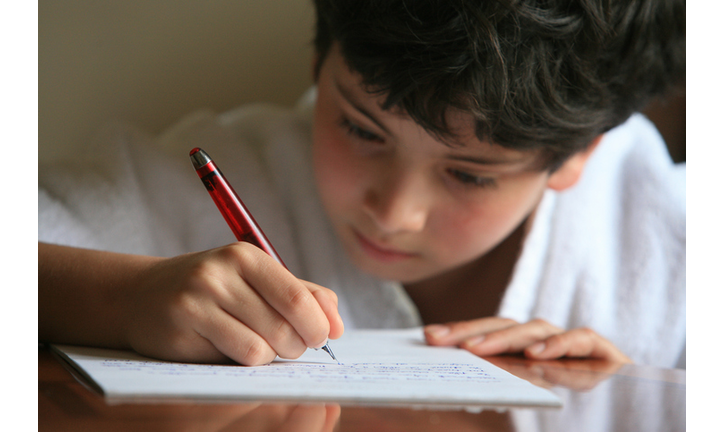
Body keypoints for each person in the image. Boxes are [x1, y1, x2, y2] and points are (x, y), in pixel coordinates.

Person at [38, 0, 685, 368]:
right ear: (321, 62)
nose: (394, 212)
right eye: (362, 130)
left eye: (467, 173)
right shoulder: (243, 162)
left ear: (578, 156)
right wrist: (119, 300)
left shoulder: (674, 241)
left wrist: (637, 399)